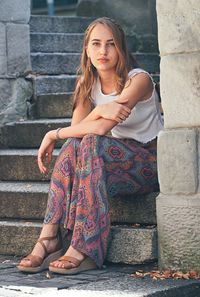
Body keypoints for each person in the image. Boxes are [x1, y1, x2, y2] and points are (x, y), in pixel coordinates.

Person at [17, 17, 163, 274]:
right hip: (108, 164)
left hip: (149, 165)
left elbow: (100, 129)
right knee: (76, 146)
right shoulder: (87, 84)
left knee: (92, 142)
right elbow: (77, 136)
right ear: (87, 49)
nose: (103, 52)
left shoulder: (139, 80)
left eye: (111, 44)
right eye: (96, 44)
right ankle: (50, 236)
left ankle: (85, 246)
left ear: (121, 49)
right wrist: (100, 111)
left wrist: (53, 133)